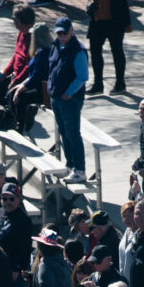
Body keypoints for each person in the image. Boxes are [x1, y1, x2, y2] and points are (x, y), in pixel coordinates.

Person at [47, 18, 89, 184]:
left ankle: (80, 170)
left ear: (71, 30)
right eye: (59, 33)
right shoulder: (56, 45)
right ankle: (70, 165)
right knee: (64, 133)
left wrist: (68, 93)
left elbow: (82, 76)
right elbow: (51, 69)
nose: (62, 36)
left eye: (64, 32)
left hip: (70, 100)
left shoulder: (78, 50)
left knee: (73, 134)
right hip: (56, 98)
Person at [86, 0, 129, 95]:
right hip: (97, 20)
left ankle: (120, 84)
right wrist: (90, 2)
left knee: (117, 50)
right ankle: (98, 85)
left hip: (114, 20)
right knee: (95, 51)